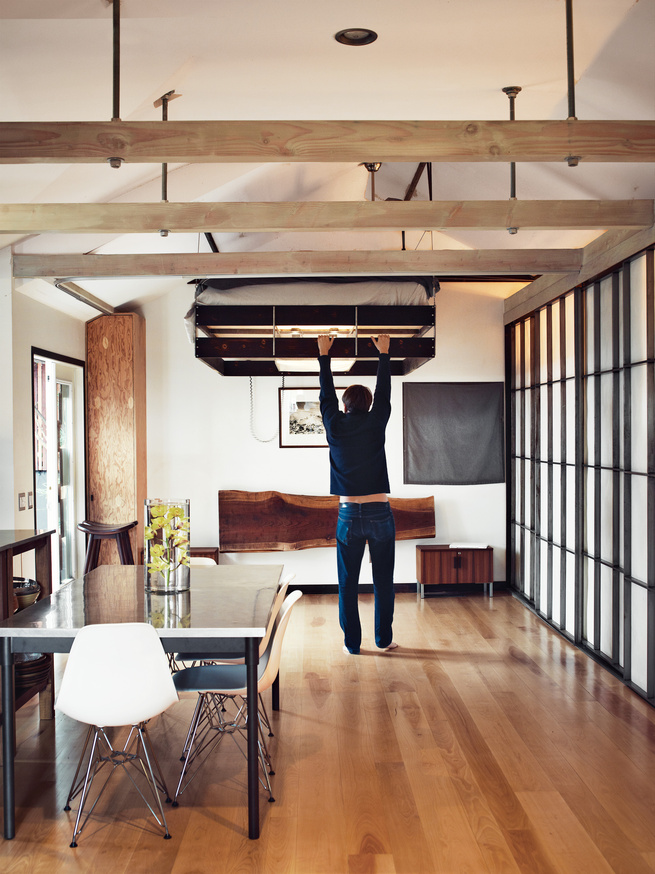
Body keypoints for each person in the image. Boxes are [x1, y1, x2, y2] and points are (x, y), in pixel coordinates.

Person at [318, 333, 397, 655]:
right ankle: (383, 640)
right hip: (380, 513)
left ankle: (352, 644)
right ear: (367, 405)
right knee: (384, 583)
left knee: (347, 584)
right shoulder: (377, 422)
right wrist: (384, 353)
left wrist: (324, 355)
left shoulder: (334, 425)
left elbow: (325, 394)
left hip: (349, 515)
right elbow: (385, 392)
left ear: (345, 405)